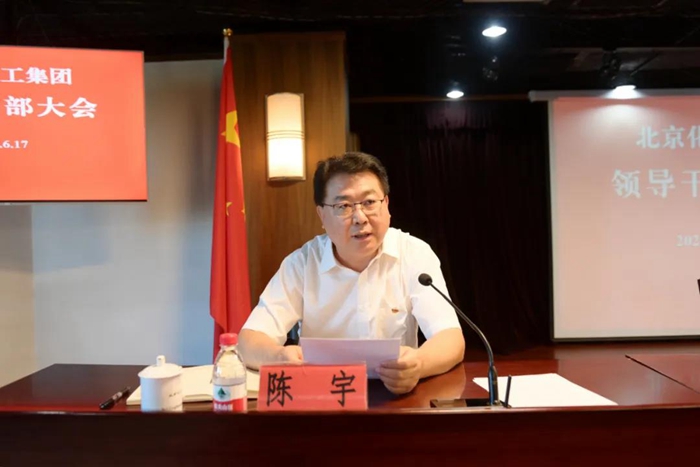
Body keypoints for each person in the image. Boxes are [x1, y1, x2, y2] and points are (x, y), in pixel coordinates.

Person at [239, 151, 465, 394]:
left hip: (394, 396)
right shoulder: (302, 264)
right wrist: (279, 357)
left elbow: (450, 338)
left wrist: (418, 364)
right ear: (322, 215)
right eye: (343, 206)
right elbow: (249, 341)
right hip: (321, 398)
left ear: (386, 205)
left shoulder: (415, 254)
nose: (360, 218)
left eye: (369, 202)